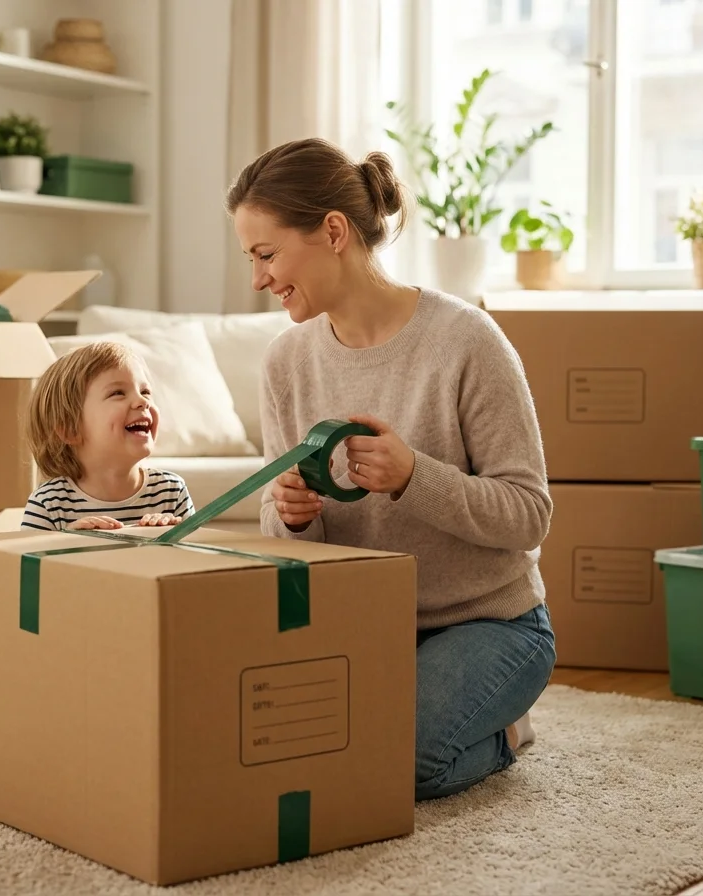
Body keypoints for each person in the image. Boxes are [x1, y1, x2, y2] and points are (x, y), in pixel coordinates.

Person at [226, 137, 557, 801]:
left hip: (486, 625)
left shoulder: (466, 341)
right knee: (254, 745)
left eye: (266, 254)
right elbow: (285, 533)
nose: (258, 278)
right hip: (361, 630)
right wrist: (288, 515)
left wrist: (414, 477)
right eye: (251, 259)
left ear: (333, 231)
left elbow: (529, 515)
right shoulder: (286, 362)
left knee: (393, 761)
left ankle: (507, 728)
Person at [21, 341, 194, 531]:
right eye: (118, 393)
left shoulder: (171, 492)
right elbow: (22, 561)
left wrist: (173, 535)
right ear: (70, 429)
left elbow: (197, 559)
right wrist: (66, 541)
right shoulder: (48, 504)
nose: (142, 401)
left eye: (145, 391)